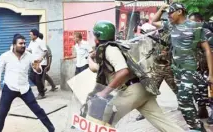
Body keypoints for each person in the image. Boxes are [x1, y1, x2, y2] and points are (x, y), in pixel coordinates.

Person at [87, 20, 185, 132]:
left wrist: (104, 92)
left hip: (131, 91)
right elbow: (95, 68)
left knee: (101, 119)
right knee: (165, 124)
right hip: (142, 90)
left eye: (94, 34)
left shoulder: (110, 49)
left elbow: (123, 71)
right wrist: (89, 58)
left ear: (97, 37)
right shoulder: (113, 47)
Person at [152, 2, 213, 131]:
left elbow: (207, 50)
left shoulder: (196, 27)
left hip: (190, 69)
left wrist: (211, 74)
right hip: (177, 70)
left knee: (184, 99)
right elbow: (154, 21)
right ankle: (196, 125)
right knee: (184, 100)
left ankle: (195, 127)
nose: (168, 16)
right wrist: (162, 8)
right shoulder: (170, 26)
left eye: (171, 13)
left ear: (179, 12)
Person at [0, 34, 55, 132]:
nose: (23, 45)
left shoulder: (29, 56)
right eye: (20, 43)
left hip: (25, 89)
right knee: (2, 113)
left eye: (24, 43)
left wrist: (37, 68)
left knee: (38, 110)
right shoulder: (5, 56)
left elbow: (37, 70)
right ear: (14, 45)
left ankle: (51, 129)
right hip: (9, 88)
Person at [189, 12, 213, 124]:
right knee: (199, 90)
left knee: (211, 90)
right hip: (200, 68)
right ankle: (203, 110)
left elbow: (210, 52)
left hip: (209, 67)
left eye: (191, 22)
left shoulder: (207, 33)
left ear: (199, 22)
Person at [28, 29, 48, 99]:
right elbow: (29, 50)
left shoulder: (40, 42)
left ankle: (41, 94)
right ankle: (42, 88)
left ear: (35, 35)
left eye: (31, 34)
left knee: (37, 79)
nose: (29, 36)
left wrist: (41, 59)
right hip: (34, 63)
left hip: (40, 63)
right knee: (31, 77)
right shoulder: (31, 42)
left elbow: (45, 51)